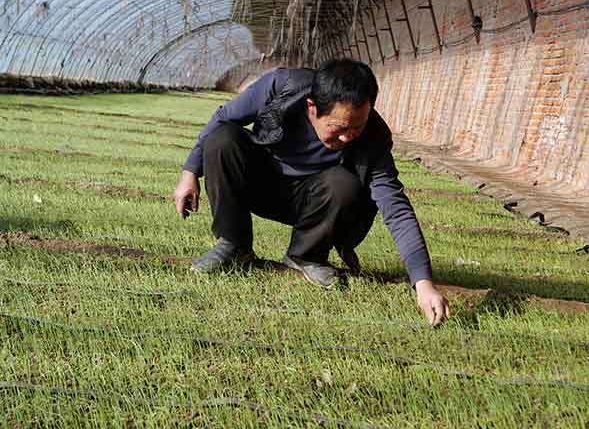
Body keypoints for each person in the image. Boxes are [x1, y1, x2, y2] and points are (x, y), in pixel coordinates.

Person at [174, 59, 450, 326]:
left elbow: (395, 207)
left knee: (348, 183)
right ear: (312, 108)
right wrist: (190, 172)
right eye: (338, 128)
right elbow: (223, 117)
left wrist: (423, 283)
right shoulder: (282, 86)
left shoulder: (374, 136)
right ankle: (234, 244)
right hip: (260, 184)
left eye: (358, 127)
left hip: (316, 206)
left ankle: (305, 256)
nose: (347, 137)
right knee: (222, 139)